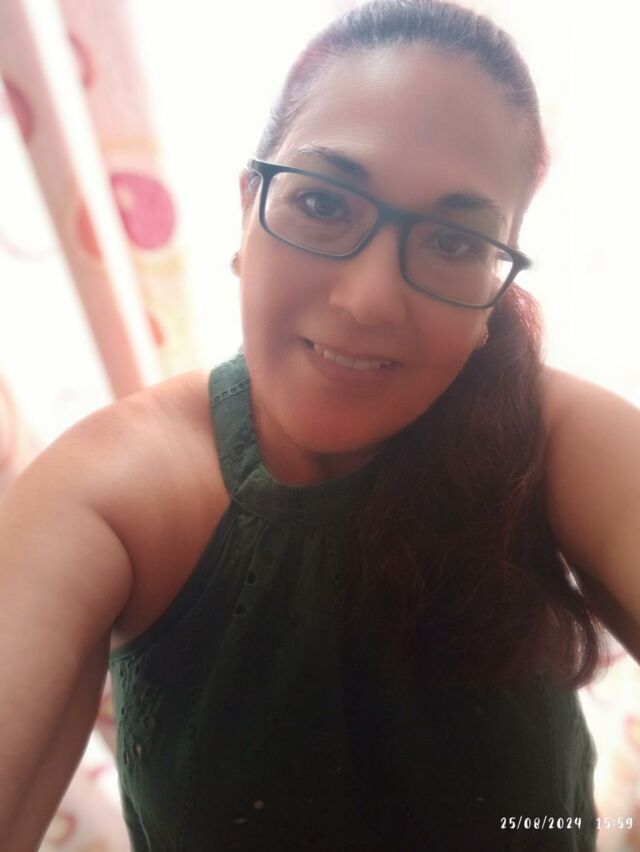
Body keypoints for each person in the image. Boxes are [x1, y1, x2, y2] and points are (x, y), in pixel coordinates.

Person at [1, 0, 639, 848]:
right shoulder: (118, 491)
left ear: (496, 288)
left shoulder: (551, 438)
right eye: (324, 203)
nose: (368, 300)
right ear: (246, 212)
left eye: (454, 243)